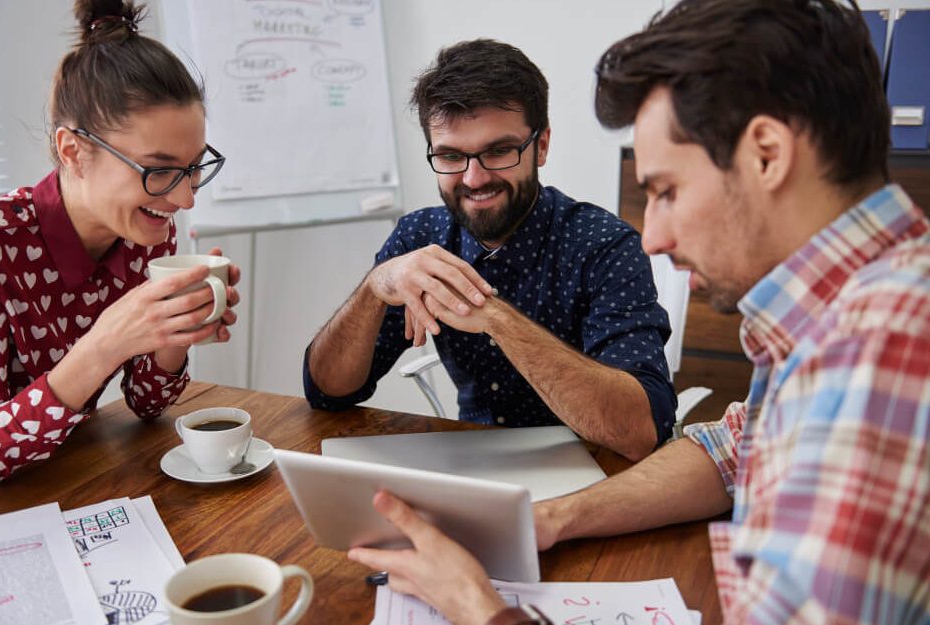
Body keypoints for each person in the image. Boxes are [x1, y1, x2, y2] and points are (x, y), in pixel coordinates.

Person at [347, 1, 930, 623]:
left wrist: (477, 606)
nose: (652, 235)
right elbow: (731, 450)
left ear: (766, 153)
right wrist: (545, 521)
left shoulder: (884, 348)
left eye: (666, 191)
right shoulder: (838, 316)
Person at [304, 39, 675, 460]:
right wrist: (374, 287)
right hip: (475, 467)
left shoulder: (604, 245)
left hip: (593, 472)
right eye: (450, 156)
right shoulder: (420, 237)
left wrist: (496, 317)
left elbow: (640, 432)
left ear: (542, 145)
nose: (474, 178)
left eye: (499, 151)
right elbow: (327, 392)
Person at [0, 0, 240, 484]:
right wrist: (105, 344)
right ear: (72, 151)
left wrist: (174, 332)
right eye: (159, 170)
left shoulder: (147, 231)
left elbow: (146, 403)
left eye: (194, 168)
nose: (184, 198)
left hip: (62, 473)